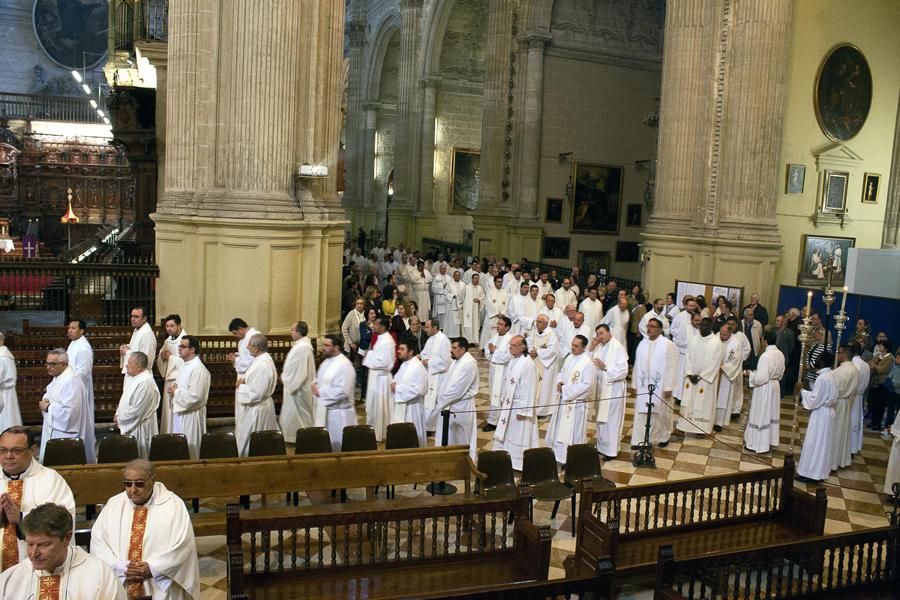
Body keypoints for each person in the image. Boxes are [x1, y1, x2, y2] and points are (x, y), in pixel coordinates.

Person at [90, 459, 201, 599]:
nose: (133, 490)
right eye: (127, 484)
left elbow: (183, 546)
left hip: (159, 585)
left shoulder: (173, 505)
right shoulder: (114, 504)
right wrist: (120, 567)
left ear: (153, 480)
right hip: (122, 582)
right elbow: (98, 541)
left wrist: (154, 568)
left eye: (140, 483)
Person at [0, 503, 125, 598]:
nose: (34, 554)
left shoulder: (100, 576)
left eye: (44, 545)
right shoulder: (9, 580)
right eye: (30, 544)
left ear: (67, 538)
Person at [0, 427, 75, 571]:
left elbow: (63, 523)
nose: (8, 456)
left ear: (32, 450)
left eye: (16, 451)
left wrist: (21, 519)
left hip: (36, 570)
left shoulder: (51, 480)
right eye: (2, 450)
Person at [40, 349, 95, 463]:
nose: (48, 367)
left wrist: (48, 407)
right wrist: (46, 398)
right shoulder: (60, 376)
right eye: (47, 363)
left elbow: (70, 413)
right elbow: (50, 392)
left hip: (66, 432)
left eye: (52, 364)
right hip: (56, 429)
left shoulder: (71, 381)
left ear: (64, 364)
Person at [546, 335, 595, 464]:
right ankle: (558, 455)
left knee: (573, 432)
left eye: (576, 346)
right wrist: (560, 382)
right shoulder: (569, 357)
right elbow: (562, 372)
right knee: (559, 429)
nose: (573, 348)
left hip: (576, 404)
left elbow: (587, 386)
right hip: (564, 400)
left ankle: (571, 459)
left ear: (584, 347)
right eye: (572, 344)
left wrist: (566, 390)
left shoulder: (587, 363)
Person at [492, 335, 538, 470]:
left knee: (520, 434)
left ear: (522, 347)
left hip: (520, 407)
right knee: (508, 432)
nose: (510, 347)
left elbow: (529, 389)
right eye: (509, 345)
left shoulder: (528, 364)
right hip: (509, 404)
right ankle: (507, 457)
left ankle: (518, 463)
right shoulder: (514, 360)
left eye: (513, 345)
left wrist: (523, 411)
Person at [429, 338, 479, 460]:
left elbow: (457, 389)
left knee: (462, 437)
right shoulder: (457, 361)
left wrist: (441, 402)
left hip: (461, 405)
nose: (451, 350)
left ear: (463, 349)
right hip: (451, 404)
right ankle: (449, 461)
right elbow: (448, 382)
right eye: (451, 347)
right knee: (448, 435)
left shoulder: (469, 363)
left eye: (454, 348)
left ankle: (464, 464)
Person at [631, 318, 678, 447]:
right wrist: (635, 384)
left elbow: (672, 366)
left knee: (662, 413)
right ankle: (639, 439)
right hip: (644, 385)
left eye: (653, 326)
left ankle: (664, 436)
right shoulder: (642, 344)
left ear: (660, 329)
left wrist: (669, 386)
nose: (649, 328)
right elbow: (637, 365)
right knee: (642, 411)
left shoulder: (668, 344)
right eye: (648, 326)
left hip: (661, 386)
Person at [676, 318, 724, 436]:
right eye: (702, 325)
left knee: (703, 404)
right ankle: (683, 426)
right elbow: (688, 357)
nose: (703, 328)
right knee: (688, 402)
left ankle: (701, 429)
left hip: (706, 380)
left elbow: (715, 363)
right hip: (691, 377)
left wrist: (701, 376)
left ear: (711, 327)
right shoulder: (694, 339)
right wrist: (690, 373)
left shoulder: (716, 342)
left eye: (706, 326)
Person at [234, 335, 280, 457]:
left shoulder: (263, 365)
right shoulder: (259, 360)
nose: (247, 347)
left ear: (256, 348)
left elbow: (257, 392)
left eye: (249, 344)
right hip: (256, 407)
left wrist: (241, 386)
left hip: (258, 409)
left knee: (256, 443)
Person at [312, 334, 357, 451]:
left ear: (336, 347)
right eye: (323, 344)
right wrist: (315, 385)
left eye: (327, 345)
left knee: (339, 448)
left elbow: (342, 392)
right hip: (326, 412)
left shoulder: (345, 365)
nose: (323, 348)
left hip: (339, 416)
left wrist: (320, 392)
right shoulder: (326, 362)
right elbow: (320, 380)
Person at [797, 352, 837, 483]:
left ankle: (810, 473)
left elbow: (815, 400)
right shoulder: (830, 375)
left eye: (819, 359)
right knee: (821, 444)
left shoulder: (823, 378)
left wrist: (802, 390)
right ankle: (816, 472)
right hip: (827, 413)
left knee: (814, 442)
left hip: (821, 414)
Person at [168, 336, 210, 459]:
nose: (179, 349)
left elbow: (196, 397)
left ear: (192, 350)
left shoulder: (198, 370)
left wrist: (176, 392)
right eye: (179, 346)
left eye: (183, 346)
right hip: (180, 413)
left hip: (191, 416)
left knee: (191, 450)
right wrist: (174, 391)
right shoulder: (185, 365)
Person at [743, 331, 785, 453]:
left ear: (765, 341)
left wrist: (750, 374)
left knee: (760, 413)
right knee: (770, 413)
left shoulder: (765, 356)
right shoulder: (780, 354)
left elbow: (761, 378)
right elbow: (780, 374)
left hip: (764, 388)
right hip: (775, 386)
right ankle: (768, 442)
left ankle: (756, 444)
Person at [592, 324, 628, 460]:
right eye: (598, 334)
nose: (599, 337)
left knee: (611, 420)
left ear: (609, 333)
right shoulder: (600, 347)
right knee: (600, 418)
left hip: (613, 389)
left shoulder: (617, 347)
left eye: (601, 333)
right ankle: (602, 446)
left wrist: (605, 367)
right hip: (601, 388)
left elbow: (623, 371)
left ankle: (611, 450)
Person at [115, 352, 160, 459]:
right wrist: (118, 413)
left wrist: (120, 417)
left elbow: (137, 410)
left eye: (130, 363)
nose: (126, 365)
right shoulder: (136, 378)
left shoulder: (145, 384)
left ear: (138, 366)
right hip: (132, 422)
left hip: (140, 427)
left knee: (140, 457)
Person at [279, 321, 316, 443]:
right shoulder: (301, 346)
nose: (290, 332)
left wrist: (286, 379)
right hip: (297, 386)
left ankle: (299, 437)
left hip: (298, 389)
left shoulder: (302, 348)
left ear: (299, 332)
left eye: (292, 329)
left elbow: (299, 372)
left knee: (300, 415)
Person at [363, 317, 396, 442]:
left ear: (383, 326)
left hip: (381, 380)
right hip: (376, 378)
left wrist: (369, 355)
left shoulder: (387, 341)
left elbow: (384, 363)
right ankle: (374, 431)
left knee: (380, 409)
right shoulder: (381, 339)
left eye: (376, 324)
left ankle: (379, 433)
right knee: (374, 408)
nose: (373, 326)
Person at [391, 338, 428, 448]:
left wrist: (398, 388)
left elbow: (420, 389)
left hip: (413, 410)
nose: (398, 351)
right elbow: (396, 378)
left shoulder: (417, 367)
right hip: (402, 408)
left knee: (413, 440)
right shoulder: (405, 364)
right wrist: (393, 383)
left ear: (410, 352)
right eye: (399, 348)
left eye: (402, 349)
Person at [156, 314, 186, 435]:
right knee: (168, 412)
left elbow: (187, 363)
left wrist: (171, 357)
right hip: (169, 379)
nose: (169, 329)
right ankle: (167, 434)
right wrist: (163, 357)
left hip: (179, 380)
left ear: (179, 326)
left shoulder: (185, 340)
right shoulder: (168, 340)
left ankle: (176, 434)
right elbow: (161, 357)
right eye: (167, 326)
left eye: (172, 326)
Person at [830, 346, 859, 470]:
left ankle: (831, 461)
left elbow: (832, 390)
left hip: (837, 403)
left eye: (839, 353)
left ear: (844, 354)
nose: (837, 355)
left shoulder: (839, 371)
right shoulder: (855, 369)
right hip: (846, 402)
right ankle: (840, 459)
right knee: (842, 432)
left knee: (835, 433)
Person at [421, 319, 452, 433]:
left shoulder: (443, 340)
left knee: (435, 400)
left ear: (435, 327)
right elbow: (424, 353)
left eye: (427, 327)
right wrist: (424, 359)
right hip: (430, 374)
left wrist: (429, 362)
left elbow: (446, 361)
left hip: (439, 376)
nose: (425, 329)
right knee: (429, 399)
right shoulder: (430, 339)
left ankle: (431, 426)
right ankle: (427, 424)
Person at [482, 316, 512, 431]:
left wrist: (494, 351)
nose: (497, 326)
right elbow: (486, 350)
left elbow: (507, 357)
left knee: (500, 396)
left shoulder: (510, 339)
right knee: (493, 395)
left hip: (503, 372)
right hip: (493, 370)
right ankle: (496, 419)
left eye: (500, 324)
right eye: (498, 324)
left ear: (507, 327)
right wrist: (490, 352)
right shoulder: (495, 337)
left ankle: (494, 421)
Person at [529, 315, 560, 420]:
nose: (537, 323)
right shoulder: (533, 332)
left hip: (546, 366)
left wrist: (537, 352)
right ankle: (533, 408)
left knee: (545, 388)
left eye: (540, 322)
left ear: (546, 323)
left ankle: (544, 410)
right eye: (537, 321)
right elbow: (528, 342)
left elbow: (553, 350)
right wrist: (531, 351)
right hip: (534, 363)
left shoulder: (551, 335)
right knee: (534, 385)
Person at [714, 324, 744, 431]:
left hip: (725, 375)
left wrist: (723, 368)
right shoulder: (716, 337)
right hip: (713, 374)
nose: (721, 337)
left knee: (722, 398)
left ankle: (718, 422)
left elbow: (736, 360)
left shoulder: (736, 344)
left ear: (730, 333)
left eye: (724, 335)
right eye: (721, 334)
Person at [64, 321, 91, 435]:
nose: (69, 330)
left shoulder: (84, 348)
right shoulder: (74, 343)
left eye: (73, 328)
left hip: (78, 388)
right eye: (69, 328)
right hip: (70, 385)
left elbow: (83, 373)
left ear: (81, 331)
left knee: (79, 421)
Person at [671, 298, 700, 402]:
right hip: (683, 353)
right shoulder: (679, 317)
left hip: (694, 356)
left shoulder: (698, 320)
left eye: (694, 306)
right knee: (681, 376)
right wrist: (690, 344)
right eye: (690, 306)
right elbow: (673, 331)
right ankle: (679, 396)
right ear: (686, 306)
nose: (692, 307)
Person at [120, 306, 157, 383]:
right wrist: (126, 347)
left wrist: (127, 352)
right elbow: (136, 347)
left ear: (144, 318)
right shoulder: (138, 330)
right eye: (132, 316)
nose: (132, 319)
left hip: (141, 377)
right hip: (134, 375)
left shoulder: (146, 334)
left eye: (136, 317)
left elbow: (145, 360)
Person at [848, 344, 870, 456]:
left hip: (852, 397)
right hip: (859, 396)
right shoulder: (865, 365)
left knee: (850, 421)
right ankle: (854, 447)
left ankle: (849, 448)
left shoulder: (854, 365)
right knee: (856, 422)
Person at [480, 275, 509, 348]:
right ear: (494, 282)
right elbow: (488, 303)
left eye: (501, 282)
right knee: (490, 332)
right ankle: (486, 347)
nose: (500, 283)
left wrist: (502, 313)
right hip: (492, 317)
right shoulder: (490, 292)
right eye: (498, 282)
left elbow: (507, 304)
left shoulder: (505, 292)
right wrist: (496, 313)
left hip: (501, 317)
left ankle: (498, 347)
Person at [0, 335, 20, 431]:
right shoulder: (5, 354)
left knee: (5, 423)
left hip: (4, 394)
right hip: (7, 393)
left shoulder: (2, 357)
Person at [774, 315, 796, 396]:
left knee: (782, 376)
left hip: (783, 357)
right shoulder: (774, 332)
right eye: (776, 320)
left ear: (783, 322)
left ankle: (781, 393)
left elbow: (791, 347)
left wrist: (785, 355)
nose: (776, 322)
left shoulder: (789, 333)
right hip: (773, 357)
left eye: (778, 321)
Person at [462, 273, 484, 342]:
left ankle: (474, 340)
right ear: (472, 279)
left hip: (475, 309)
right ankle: (468, 340)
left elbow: (483, 297)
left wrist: (479, 300)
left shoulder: (480, 288)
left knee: (475, 324)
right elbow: (460, 297)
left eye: (477, 279)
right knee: (467, 325)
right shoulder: (466, 287)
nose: (476, 280)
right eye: (475, 278)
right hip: (467, 310)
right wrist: (462, 305)